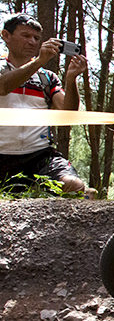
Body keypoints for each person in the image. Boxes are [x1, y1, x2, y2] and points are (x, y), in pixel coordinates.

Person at [0, 13, 94, 198]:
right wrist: (39, 62)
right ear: (6, 36)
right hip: (2, 153)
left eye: (36, 38)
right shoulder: (4, 68)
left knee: (74, 185)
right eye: (26, 36)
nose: (32, 42)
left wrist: (71, 78)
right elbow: (3, 87)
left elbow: (67, 114)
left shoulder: (46, 77)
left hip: (39, 155)